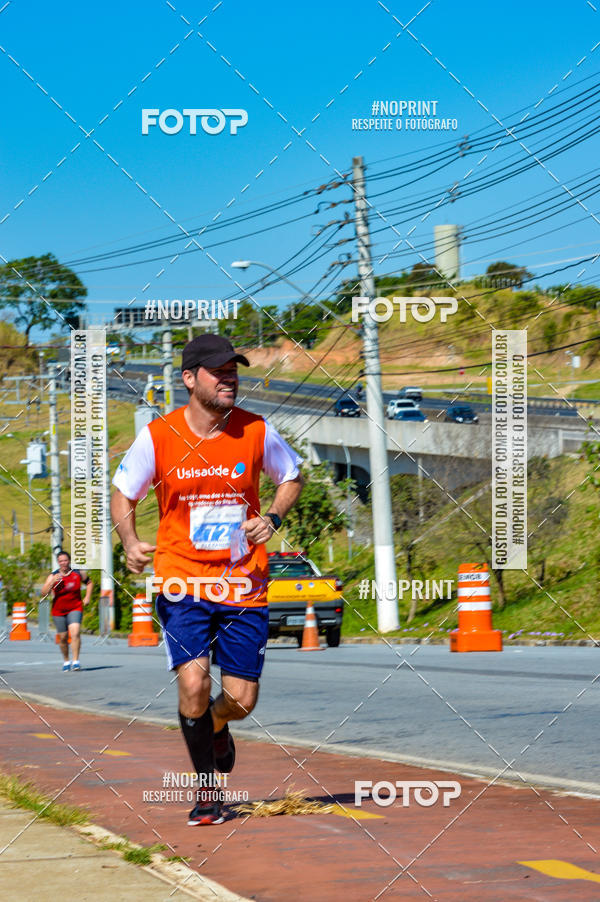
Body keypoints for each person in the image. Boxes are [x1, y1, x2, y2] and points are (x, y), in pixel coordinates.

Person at [111, 334, 303, 826]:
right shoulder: (159, 436)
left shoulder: (256, 430)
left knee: (240, 699)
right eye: (218, 371)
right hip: (182, 581)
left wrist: (274, 519)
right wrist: (130, 541)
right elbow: (123, 492)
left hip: (245, 585)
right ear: (190, 379)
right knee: (193, 683)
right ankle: (208, 789)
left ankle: (218, 725)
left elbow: (291, 476)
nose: (229, 378)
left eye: (233, 370)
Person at [41, 550, 92, 672]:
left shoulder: (78, 572)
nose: (63, 563)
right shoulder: (53, 576)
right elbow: (43, 593)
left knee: (75, 633)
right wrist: (52, 582)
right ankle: (66, 660)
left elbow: (89, 583)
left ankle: (76, 661)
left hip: (75, 607)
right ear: (58, 563)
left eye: (65, 560)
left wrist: (87, 597)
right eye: (61, 561)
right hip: (59, 610)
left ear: (69, 561)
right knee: (63, 638)